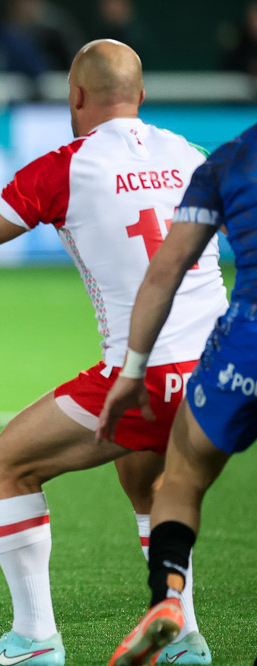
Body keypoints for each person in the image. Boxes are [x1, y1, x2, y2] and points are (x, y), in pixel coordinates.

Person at [0, 39, 225, 665]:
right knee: (142, 475)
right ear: (142, 97)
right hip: (216, 372)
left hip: (146, 375)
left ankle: (34, 641)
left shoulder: (64, 166)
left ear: (75, 97)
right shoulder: (190, 155)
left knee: (6, 464)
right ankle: (183, 638)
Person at [100, 124, 257, 665]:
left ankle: (167, 599)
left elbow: (165, 269)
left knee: (182, 474)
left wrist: (132, 369)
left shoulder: (227, 161)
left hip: (246, 342)